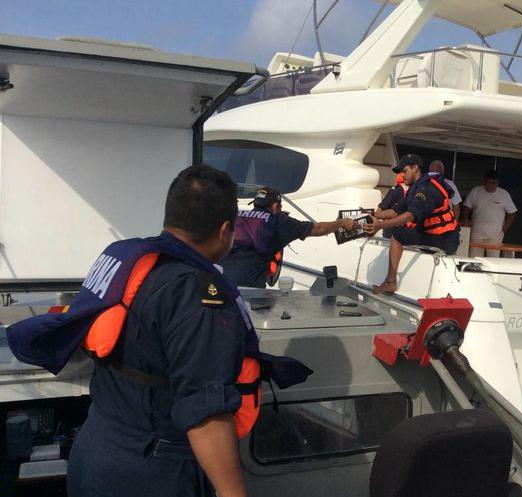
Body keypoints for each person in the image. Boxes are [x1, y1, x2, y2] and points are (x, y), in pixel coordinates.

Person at [3, 165, 311, 497]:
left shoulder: (125, 260)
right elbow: (204, 412)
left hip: (95, 447)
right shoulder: (198, 295)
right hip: (155, 469)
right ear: (225, 230)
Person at [221, 186, 354, 288]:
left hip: (222, 279)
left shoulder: (239, 216)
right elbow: (318, 229)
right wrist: (340, 223)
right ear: (275, 206)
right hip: (249, 285)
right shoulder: (278, 221)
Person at [364, 154, 459, 294]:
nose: (402, 175)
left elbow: (410, 215)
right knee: (399, 230)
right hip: (433, 235)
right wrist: (373, 215)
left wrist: (380, 225)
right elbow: (396, 211)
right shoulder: (415, 188)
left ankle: (390, 282)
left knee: (398, 234)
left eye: (404, 171)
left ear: (415, 168)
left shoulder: (426, 188)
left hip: (445, 240)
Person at [461, 170, 517, 257]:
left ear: (498, 183)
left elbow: (512, 212)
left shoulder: (503, 194)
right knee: (474, 259)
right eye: (489, 182)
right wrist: (465, 218)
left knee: (493, 259)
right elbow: (466, 206)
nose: (491, 185)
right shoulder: (476, 191)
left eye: (494, 183)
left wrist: (505, 228)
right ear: (484, 181)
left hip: (496, 234)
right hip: (477, 233)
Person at [375, 172, 408, 239]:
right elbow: (382, 207)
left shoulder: (396, 190)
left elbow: (382, 206)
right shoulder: (397, 190)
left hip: (395, 228)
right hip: (395, 229)